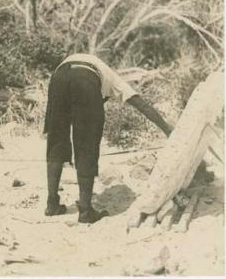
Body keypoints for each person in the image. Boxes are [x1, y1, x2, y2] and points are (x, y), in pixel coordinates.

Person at [43, 53, 174, 224]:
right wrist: (167, 129)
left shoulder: (88, 62)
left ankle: (52, 204)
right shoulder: (113, 78)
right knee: (86, 145)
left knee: (56, 140)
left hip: (59, 77)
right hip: (86, 80)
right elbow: (140, 104)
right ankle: (85, 211)